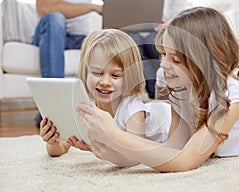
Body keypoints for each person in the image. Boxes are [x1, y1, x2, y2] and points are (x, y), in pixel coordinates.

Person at [77, 7, 239, 172]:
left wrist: (116, 135)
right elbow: (175, 149)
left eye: (176, 59)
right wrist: (110, 147)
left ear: (204, 60)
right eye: (163, 54)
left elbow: (186, 161)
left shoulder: (233, 99)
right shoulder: (179, 87)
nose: (163, 65)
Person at [39, 29, 171, 166]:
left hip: (171, 121)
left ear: (130, 76)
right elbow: (61, 147)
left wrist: (107, 155)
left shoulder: (132, 107)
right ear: (86, 71)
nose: (105, 82)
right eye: (97, 73)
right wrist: (52, 142)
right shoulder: (85, 106)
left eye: (115, 75)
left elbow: (135, 157)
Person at [32, 0, 103, 127]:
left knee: (104, 40)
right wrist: (92, 7)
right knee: (54, 18)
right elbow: (45, 8)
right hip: (49, 33)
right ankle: (52, 107)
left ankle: (114, 110)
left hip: (79, 38)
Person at [127, 0, 193, 99]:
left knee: (152, 43)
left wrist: (170, 23)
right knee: (135, 44)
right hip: (131, 29)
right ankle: (152, 92)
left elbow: (185, 13)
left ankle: (156, 91)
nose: (163, 63)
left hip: (159, 28)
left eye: (176, 60)